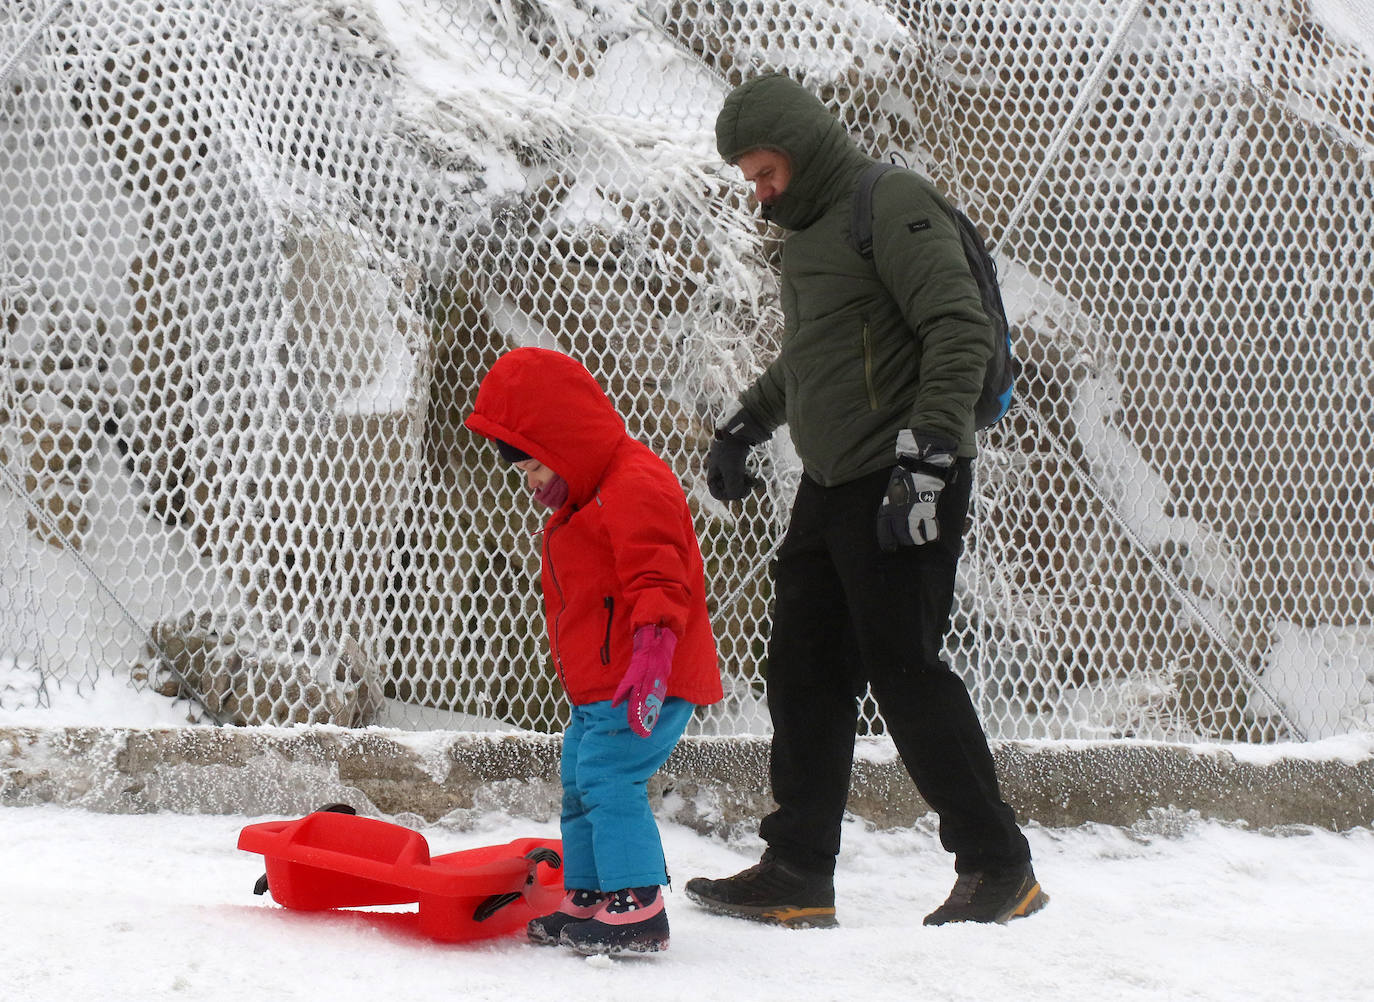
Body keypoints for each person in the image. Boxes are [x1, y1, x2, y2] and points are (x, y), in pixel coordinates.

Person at [684, 73, 1046, 928]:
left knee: (906, 671)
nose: (759, 192)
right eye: (749, 179)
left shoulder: (888, 203)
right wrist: (745, 423)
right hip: (832, 482)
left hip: (901, 474)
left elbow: (956, 325)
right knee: (803, 671)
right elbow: (812, 355)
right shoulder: (811, 235)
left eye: (765, 173)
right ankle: (798, 869)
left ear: (800, 154)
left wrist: (925, 462)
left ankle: (999, 867)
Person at [465, 346, 724, 956]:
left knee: (609, 777)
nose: (529, 485)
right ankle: (587, 893)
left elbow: (660, 577)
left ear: (563, 446)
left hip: (644, 677)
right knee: (580, 780)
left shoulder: (633, 483)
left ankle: (637, 904)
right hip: (600, 687)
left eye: (532, 468)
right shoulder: (585, 497)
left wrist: (654, 656)